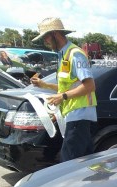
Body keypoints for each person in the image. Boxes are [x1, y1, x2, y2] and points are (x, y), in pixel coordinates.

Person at [30, 17, 97, 162]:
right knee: (86, 163)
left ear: (54, 34)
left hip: (79, 115)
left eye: (46, 37)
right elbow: (67, 87)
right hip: (74, 116)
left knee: (68, 165)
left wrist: (62, 97)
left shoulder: (75, 54)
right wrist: (44, 85)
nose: (45, 41)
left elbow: (90, 86)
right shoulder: (63, 55)